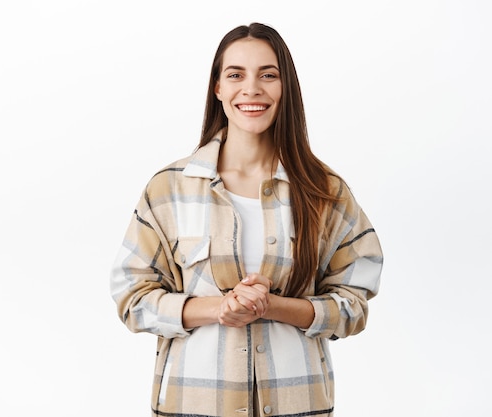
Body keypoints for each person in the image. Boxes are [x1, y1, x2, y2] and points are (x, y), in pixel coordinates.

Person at [110, 22, 383, 417]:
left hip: (299, 405)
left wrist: (272, 306)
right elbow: (132, 298)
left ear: (285, 87)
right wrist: (218, 308)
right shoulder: (170, 188)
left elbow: (353, 304)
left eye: (268, 75)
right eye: (236, 75)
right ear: (217, 88)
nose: (251, 89)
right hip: (193, 405)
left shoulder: (324, 191)